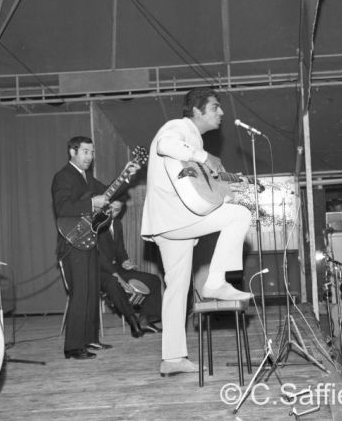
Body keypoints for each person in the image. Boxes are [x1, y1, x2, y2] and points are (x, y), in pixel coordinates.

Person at [140, 87, 252, 377]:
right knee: (240, 215)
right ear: (196, 111)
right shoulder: (178, 127)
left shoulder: (194, 139)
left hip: (168, 222)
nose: (221, 112)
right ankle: (215, 282)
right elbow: (165, 144)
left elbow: (196, 188)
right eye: (215, 107)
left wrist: (227, 188)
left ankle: (172, 358)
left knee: (177, 289)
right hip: (174, 219)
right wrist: (203, 156)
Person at [52, 136, 139, 359]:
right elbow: (62, 208)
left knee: (91, 292)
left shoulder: (87, 177)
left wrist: (126, 176)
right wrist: (91, 202)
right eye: (85, 152)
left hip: (88, 241)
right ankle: (73, 347)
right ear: (72, 152)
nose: (90, 156)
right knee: (81, 293)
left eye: (92, 152)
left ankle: (90, 339)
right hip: (72, 243)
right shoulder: (63, 176)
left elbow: (110, 191)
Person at [98, 199, 162, 338]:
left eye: (117, 210)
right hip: (99, 271)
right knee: (114, 283)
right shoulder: (96, 224)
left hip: (115, 267)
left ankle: (145, 320)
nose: (112, 213)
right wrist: (118, 277)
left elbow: (120, 249)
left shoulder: (117, 223)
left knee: (154, 280)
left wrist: (125, 261)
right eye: (110, 208)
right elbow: (99, 256)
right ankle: (132, 318)